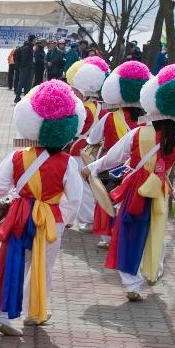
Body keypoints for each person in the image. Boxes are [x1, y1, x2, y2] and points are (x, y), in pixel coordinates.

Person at [0, 79, 83, 336]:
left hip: (19, 214)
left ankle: (4, 316)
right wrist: (67, 219)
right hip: (51, 218)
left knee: (14, 262)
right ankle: (34, 312)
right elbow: (74, 199)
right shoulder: (67, 162)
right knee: (42, 267)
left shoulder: (18, 156)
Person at [86, 64, 175, 301]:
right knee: (155, 232)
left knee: (128, 231)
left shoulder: (138, 133)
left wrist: (91, 168)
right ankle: (152, 270)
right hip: (159, 193)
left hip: (132, 190)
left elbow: (113, 157)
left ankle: (131, 281)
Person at [89, 60, 150, 248]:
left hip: (110, 166)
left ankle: (107, 237)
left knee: (105, 199)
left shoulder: (109, 117)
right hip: (135, 169)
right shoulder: (148, 121)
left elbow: (92, 138)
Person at [64, 55, 110, 231]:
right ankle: (78, 218)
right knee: (83, 186)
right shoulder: (100, 106)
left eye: (74, 89)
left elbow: (77, 131)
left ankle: (87, 220)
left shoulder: (85, 109)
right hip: (91, 151)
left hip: (78, 152)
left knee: (81, 187)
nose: (72, 92)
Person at [13, 36, 35, 102]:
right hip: (26, 68)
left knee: (24, 83)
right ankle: (18, 97)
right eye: (35, 39)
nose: (35, 41)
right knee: (24, 83)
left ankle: (23, 97)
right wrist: (27, 66)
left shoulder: (27, 47)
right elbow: (25, 59)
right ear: (32, 40)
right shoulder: (27, 48)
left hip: (24, 68)